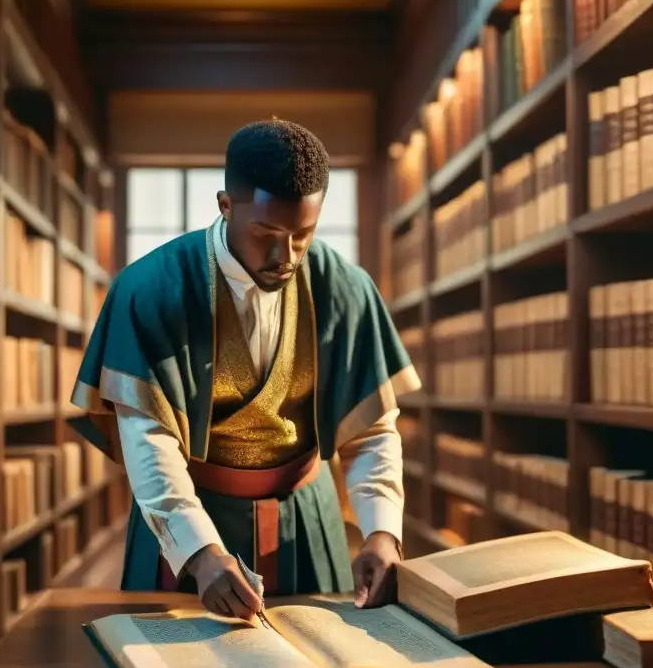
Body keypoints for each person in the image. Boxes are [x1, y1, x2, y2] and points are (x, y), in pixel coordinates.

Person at [70, 118, 420, 621]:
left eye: (304, 234)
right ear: (226, 205)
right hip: (190, 515)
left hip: (307, 518)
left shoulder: (345, 287)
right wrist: (198, 553)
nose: (286, 256)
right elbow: (147, 436)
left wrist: (382, 532)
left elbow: (371, 432)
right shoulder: (151, 289)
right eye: (267, 234)